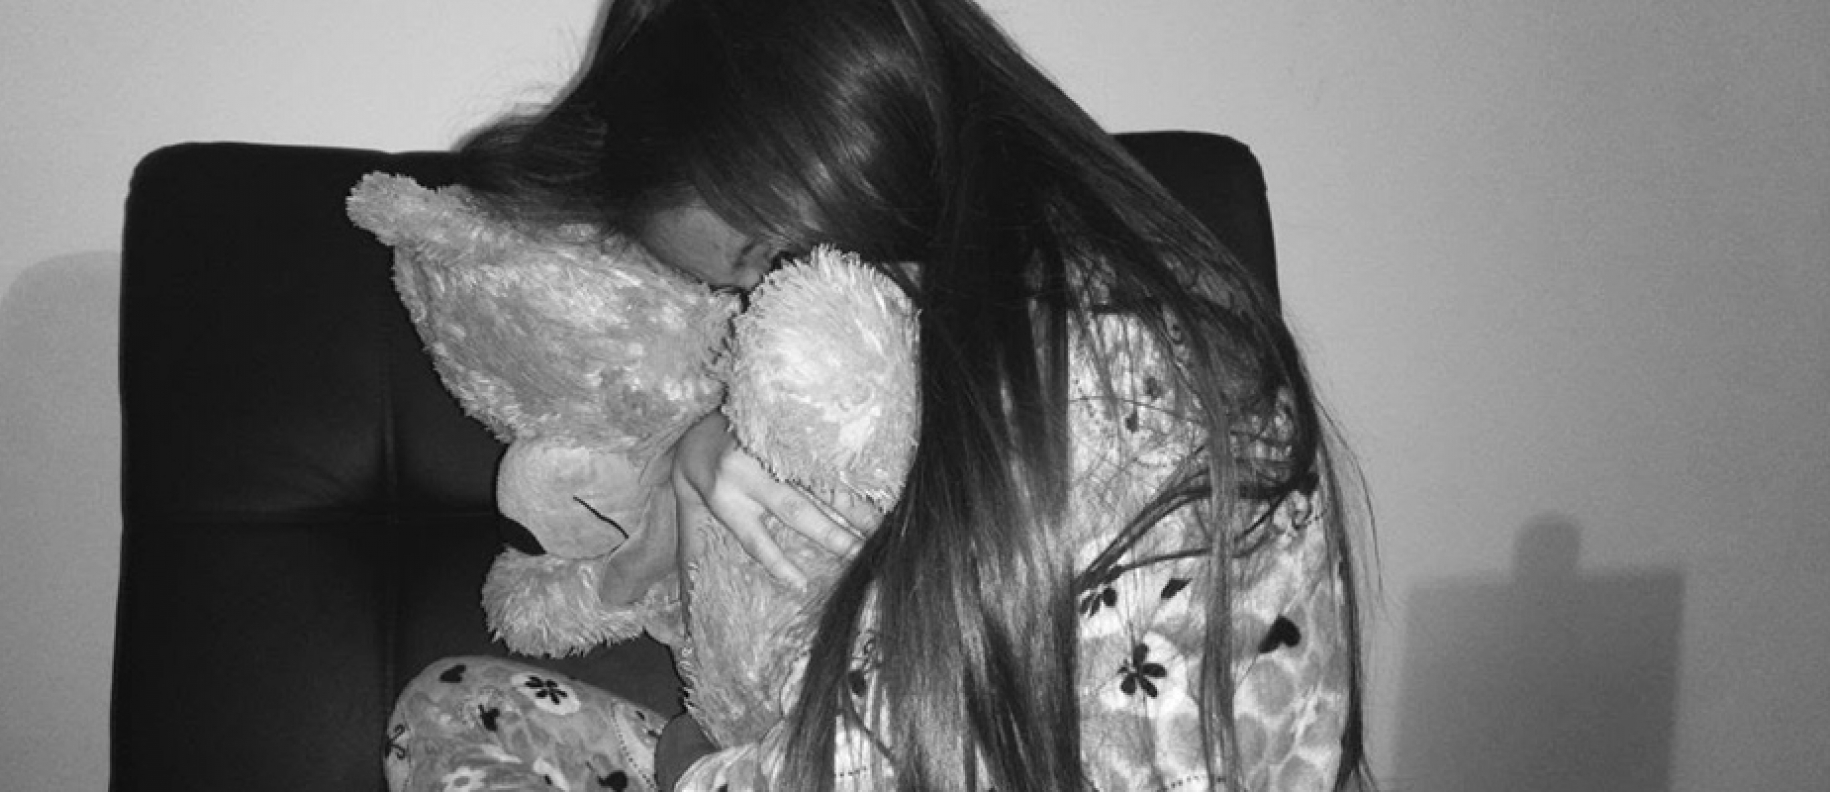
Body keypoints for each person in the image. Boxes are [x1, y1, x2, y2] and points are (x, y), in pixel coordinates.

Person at [385, 0, 1373, 790]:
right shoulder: (1037, 304)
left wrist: (694, 765)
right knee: (454, 704)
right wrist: (715, 435)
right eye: (744, 296)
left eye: (775, 265)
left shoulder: (1113, 392)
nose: (768, 318)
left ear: (857, 165)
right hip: (855, 743)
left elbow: (926, 755)